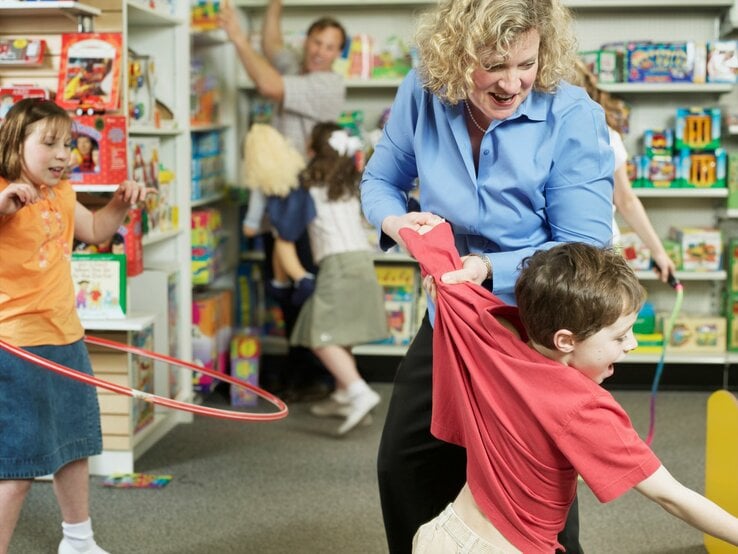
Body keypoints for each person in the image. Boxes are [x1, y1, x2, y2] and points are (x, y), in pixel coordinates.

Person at [360, 0, 615, 551]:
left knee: (527, 486)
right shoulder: (423, 92)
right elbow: (379, 180)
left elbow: (584, 244)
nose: (512, 82)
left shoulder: (571, 114)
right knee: (405, 468)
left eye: (525, 63)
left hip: (534, 326)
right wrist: (398, 222)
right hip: (451, 321)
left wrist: (488, 268)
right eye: (493, 65)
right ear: (455, 55)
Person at [401, 222, 738, 553]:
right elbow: (671, 496)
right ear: (565, 340)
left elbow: (449, 283)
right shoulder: (585, 408)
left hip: (441, 536)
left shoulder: (495, 344)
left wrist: (440, 276)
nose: (632, 344)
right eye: (620, 335)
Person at [0, 98, 150, 554]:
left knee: (74, 444)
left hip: (66, 335)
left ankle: (79, 540)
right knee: (19, 465)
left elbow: (96, 229)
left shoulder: (61, 193)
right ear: (13, 143)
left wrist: (121, 204)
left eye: (68, 144)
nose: (64, 154)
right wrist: (4, 202)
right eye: (49, 143)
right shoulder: (5, 191)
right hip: (16, 345)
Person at [220, 0, 347, 400]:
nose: (320, 51)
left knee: (305, 285)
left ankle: (316, 373)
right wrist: (275, 4)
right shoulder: (296, 65)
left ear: (337, 54)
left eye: (330, 46)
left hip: (308, 205)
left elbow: (269, 85)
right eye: (316, 41)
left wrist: (239, 40)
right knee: (286, 287)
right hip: (282, 199)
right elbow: (274, 45)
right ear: (307, 41)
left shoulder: (328, 85)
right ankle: (299, 369)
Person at [288, 122, 388, 435]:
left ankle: (359, 391)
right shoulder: (349, 184)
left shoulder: (308, 186)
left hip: (338, 264)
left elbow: (287, 227)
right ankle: (344, 393)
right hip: (361, 261)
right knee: (341, 332)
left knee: (320, 334)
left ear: (313, 151)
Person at [574, 59, 676, 281]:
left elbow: (625, 199)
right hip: (580, 251)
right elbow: (625, 199)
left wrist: (658, 251)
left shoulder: (606, 135)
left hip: (599, 251)